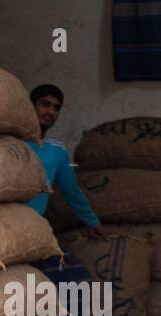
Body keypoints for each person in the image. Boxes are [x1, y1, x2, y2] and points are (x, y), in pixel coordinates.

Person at [26, 84, 104, 236]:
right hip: (4, 220)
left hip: (34, 226)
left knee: (71, 261)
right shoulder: (11, 143)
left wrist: (93, 223)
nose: (51, 111)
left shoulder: (57, 150)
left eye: (56, 108)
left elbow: (72, 191)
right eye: (45, 104)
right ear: (30, 106)